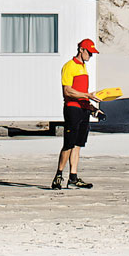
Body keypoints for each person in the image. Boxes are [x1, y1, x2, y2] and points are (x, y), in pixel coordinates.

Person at [54, 38, 103, 190]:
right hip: (72, 109)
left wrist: (93, 109)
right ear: (81, 50)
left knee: (77, 145)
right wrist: (87, 95)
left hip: (83, 109)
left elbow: (83, 94)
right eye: (89, 52)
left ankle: (73, 178)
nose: (91, 56)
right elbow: (67, 91)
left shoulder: (83, 68)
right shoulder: (69, 66)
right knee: (68, 144)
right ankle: (58, 176)